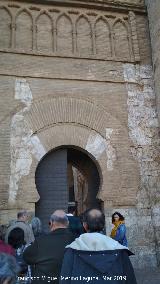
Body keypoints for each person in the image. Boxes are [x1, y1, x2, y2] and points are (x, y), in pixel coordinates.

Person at [60, 208, 137, 284]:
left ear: (85, 225)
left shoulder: (71, 250)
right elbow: (130, 280)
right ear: (103, 225)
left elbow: (64, 280)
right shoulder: (119, 250)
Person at [23, 210, 75, 284]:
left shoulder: (40, 241)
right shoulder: (75, 240)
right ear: (68, 223)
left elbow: (26, 257)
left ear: (51, 223)